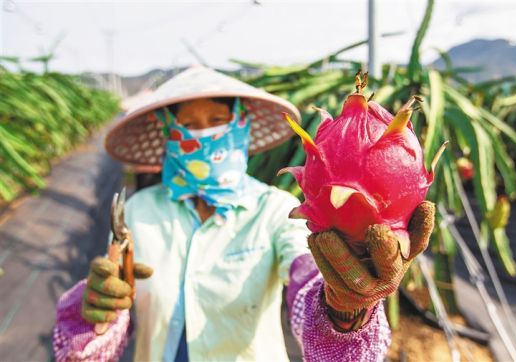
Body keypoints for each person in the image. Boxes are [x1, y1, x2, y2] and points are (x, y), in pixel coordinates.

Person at [53, 66, 434, 362]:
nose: (205, 135)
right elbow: (115, 310)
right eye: (189, 124)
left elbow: (305, 282)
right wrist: (99, 312)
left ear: (241, 126)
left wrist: (341, 306)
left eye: (217, 119)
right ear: (169, 132)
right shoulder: (138, 211)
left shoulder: (275, 210)